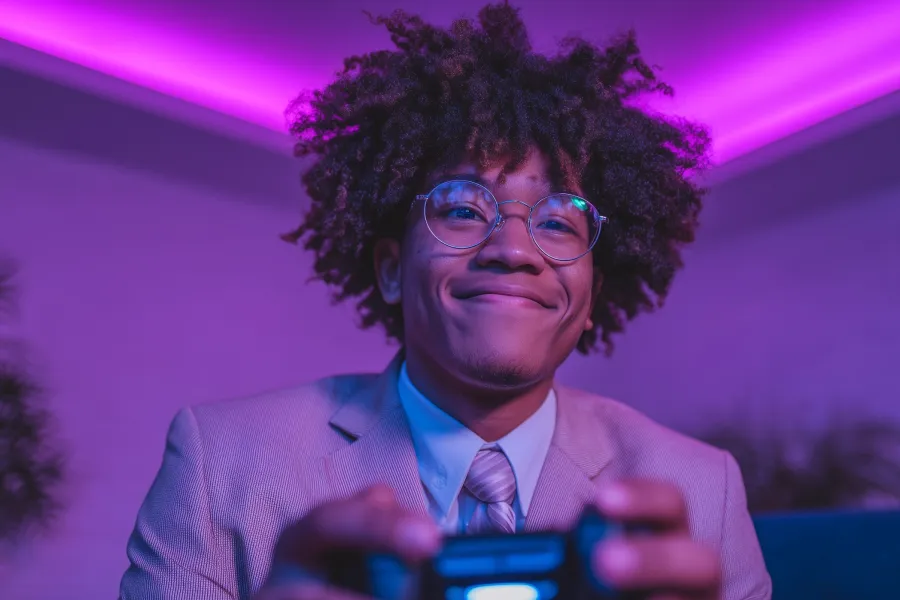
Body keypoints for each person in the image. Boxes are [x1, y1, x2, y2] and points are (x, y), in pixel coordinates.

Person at [119, 4, 771, 599]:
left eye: (557, 221)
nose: (513, 249)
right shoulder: (219, 463)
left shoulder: (701, 490)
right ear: (391, 269)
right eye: (463, 209)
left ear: (592, 297)